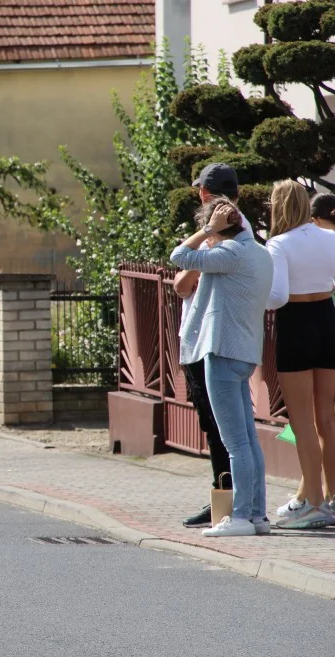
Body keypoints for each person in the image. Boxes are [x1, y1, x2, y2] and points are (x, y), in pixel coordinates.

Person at [171, 197, 274, 537]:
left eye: (213, 231)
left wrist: (205, 230)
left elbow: (179, 257)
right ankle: (258, 515)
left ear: (219, 228)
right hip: (245, 351)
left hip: (223, 352)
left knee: (235, 443)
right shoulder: (259, 251)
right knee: (248, 439)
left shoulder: (230, 254)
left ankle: (241, 516)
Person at [173, 163, 253, 528]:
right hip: (217, 336)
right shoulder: (239, 227)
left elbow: (182, 282)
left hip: (212, 339)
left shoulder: (225, 231)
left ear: (205, 193)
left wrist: (205, 232)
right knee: (229, 428)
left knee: (221, 428)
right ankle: (231, 502)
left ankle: (227, 504)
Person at [265, 181, 335, 528]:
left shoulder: (278, 244)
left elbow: (276, 296)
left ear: (279, 206)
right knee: (327, 417)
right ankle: (332, 498)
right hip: (327, 318)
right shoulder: (330, 237)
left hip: (295, 323)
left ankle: (314, 503)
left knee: (302, 420)